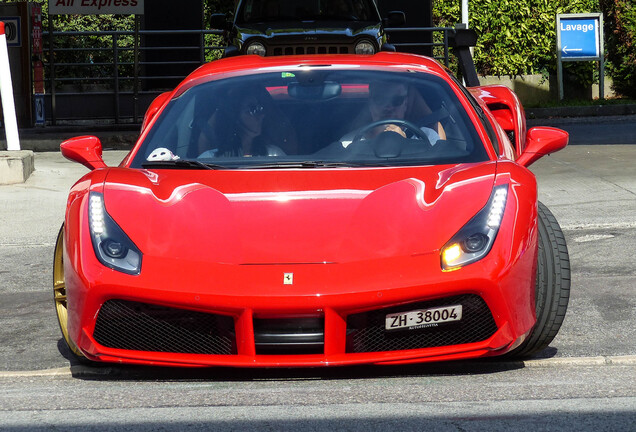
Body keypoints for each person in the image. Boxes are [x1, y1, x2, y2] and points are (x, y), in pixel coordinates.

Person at [197, 87, 294, 158]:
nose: (261, 115)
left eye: (260, 108)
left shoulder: (274, 155)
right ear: (234, 117)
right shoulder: (208, 160)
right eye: (252, 109)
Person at [360, 80, 443, 144]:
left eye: (396, 100)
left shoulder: (427, 137)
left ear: (405, 104)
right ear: (370, 104)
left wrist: (404, 144)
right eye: (381, 99)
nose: (389, 107)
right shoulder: (352, 143)